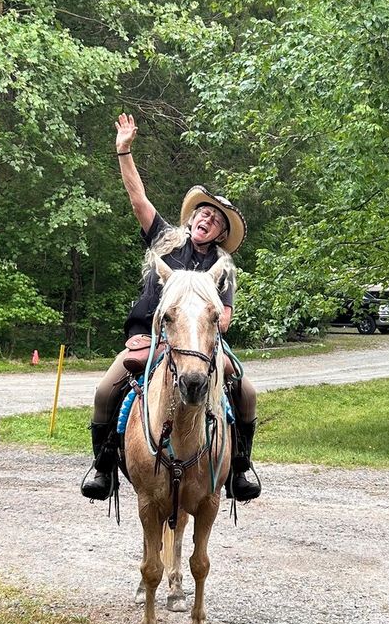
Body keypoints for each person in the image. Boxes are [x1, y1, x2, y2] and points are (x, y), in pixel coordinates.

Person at [80, 112, 260, 503]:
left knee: (245, 391)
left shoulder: (222, 269)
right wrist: (124, 152)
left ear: (221, 235)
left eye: (215, 220)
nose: (207, 219)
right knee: (104, 391)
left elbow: (224, 319)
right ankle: (104, 465)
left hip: (203, 344)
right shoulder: (165, 241)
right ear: (192, 217)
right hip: (150, 337)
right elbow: (137, 199)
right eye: (204, 213)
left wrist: (207, 321)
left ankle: (240, 467)